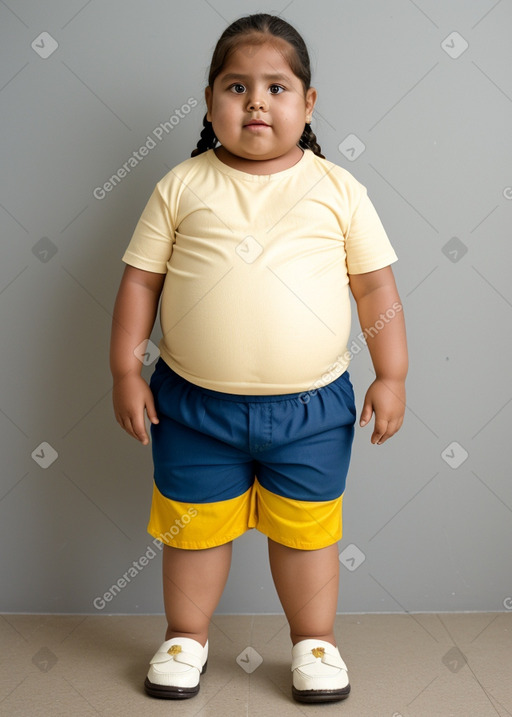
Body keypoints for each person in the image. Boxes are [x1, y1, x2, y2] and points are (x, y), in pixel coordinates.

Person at [110, 12, 408, 704]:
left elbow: (374, 288)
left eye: (276, 88)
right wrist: (126, 368)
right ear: (210, 101)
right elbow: (140, 282)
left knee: (307, 532)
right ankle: (186, 636)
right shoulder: (180, 186)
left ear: (307, 105)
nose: (255, 102)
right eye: (236, 86)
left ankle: (315, 642)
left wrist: (393, 374)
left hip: (312, 406)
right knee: (192, 526)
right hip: (192, 403)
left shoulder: (338, 191)